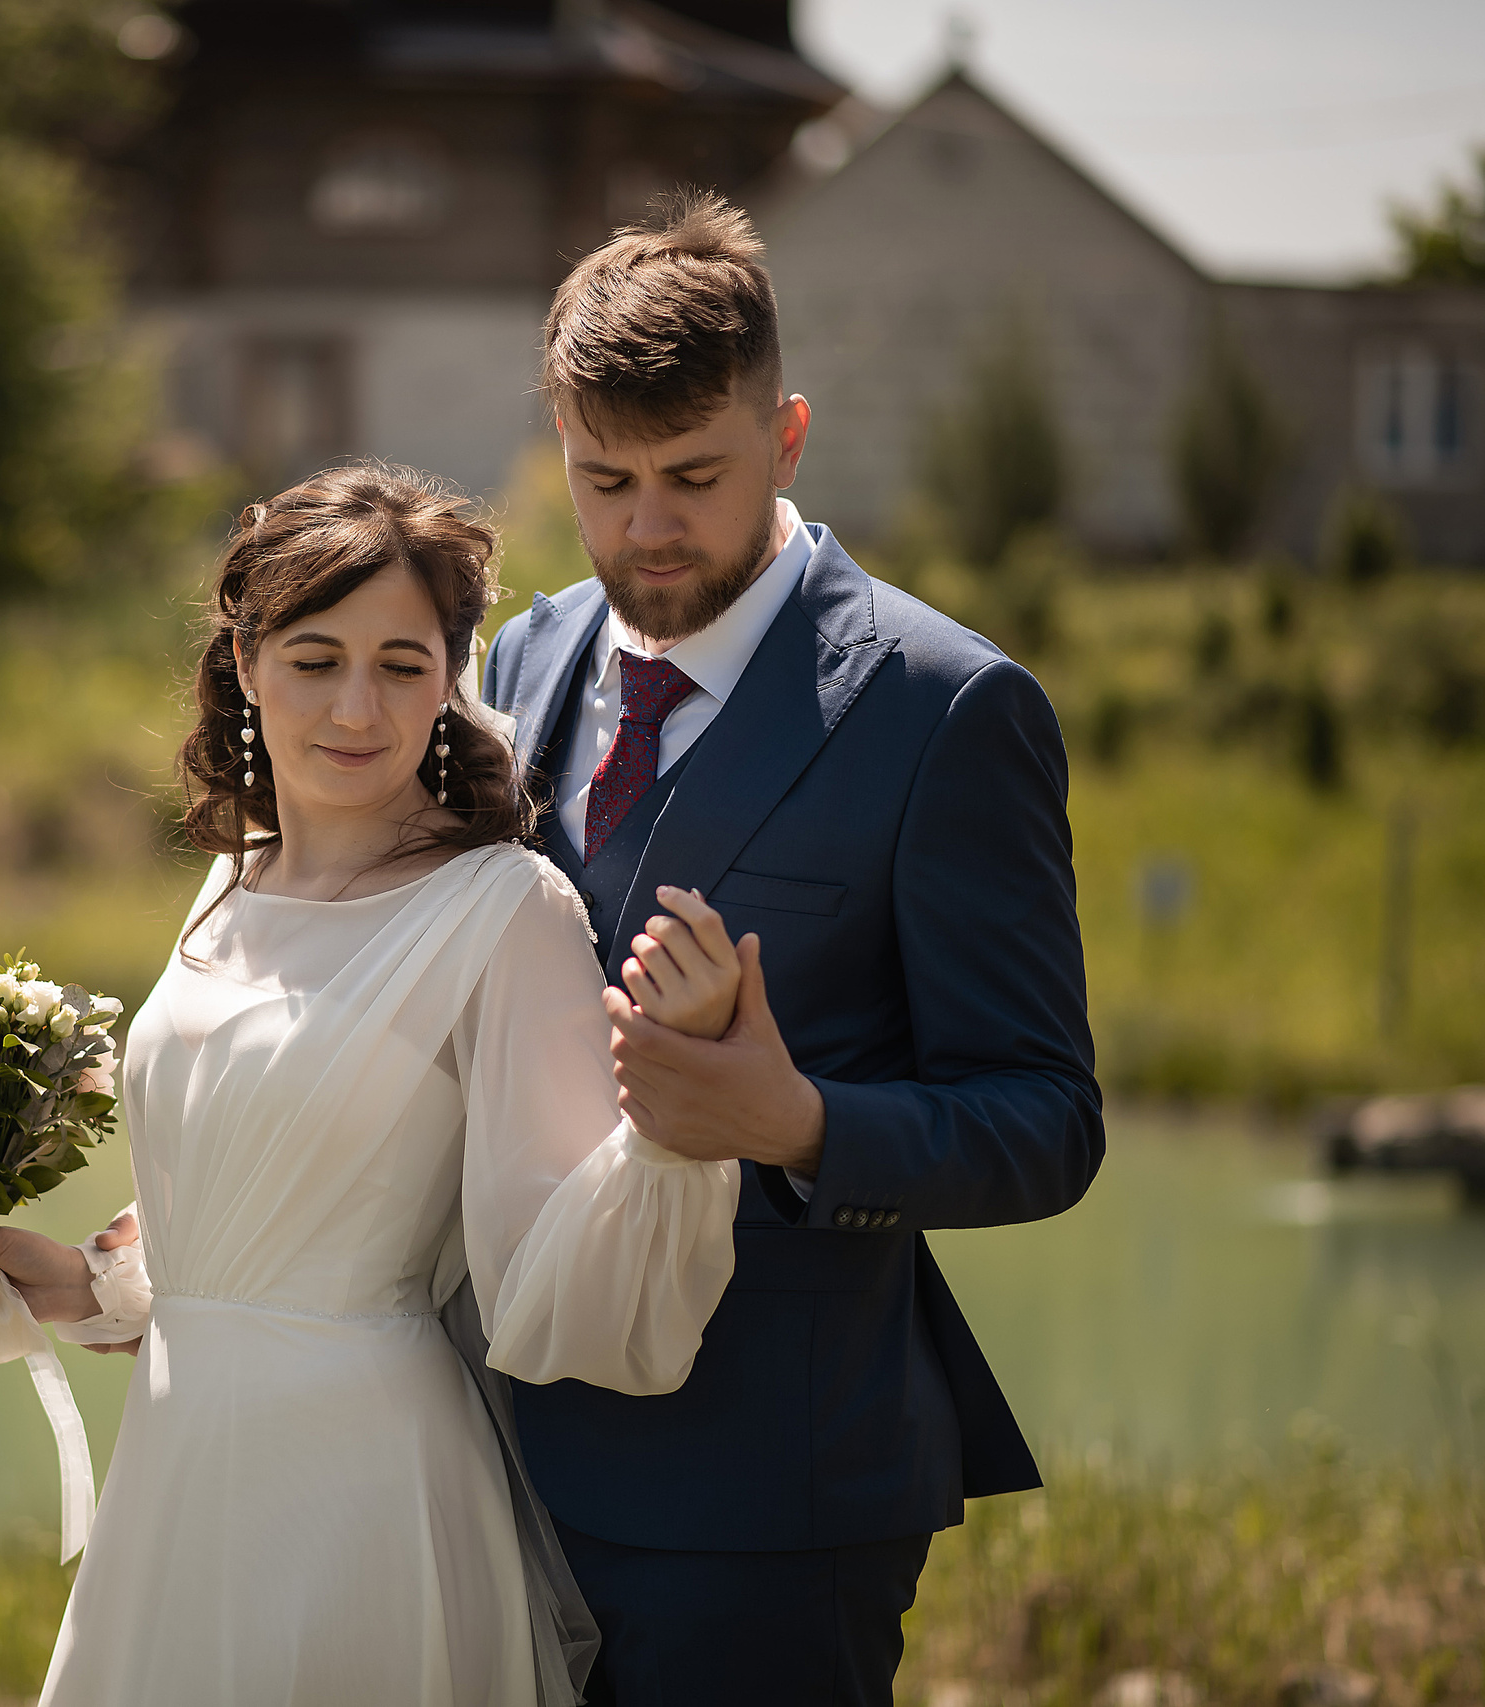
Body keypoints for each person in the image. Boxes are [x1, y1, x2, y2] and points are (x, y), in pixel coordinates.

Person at [0, 461, 757, 1706]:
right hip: (178, 1473)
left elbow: (557, 1275)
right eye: (316, 660)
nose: (357, 708)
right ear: (246, 667)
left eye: (401, 665)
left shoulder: (503, 911)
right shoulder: (231, 883)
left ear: (449, 681)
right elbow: (264, 1202)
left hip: (361, 1490)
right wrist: (99, 1285)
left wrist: (683, 1117)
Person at [477, 191, 1105, 1704]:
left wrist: (799, 1120)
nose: (647, 526)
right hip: (494, 1456)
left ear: (790, 435)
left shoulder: (947, 710)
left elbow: (1045, 1121)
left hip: (769, 1497)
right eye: (604, 477)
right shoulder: (518, 653)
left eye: (695, 474)